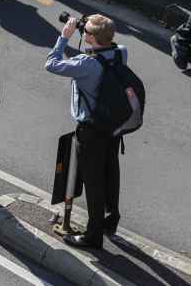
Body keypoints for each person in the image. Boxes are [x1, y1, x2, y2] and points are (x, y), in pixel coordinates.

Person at [45, 14, 124, 249]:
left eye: (85, 31)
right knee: (111, 173)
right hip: (112, 126)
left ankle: (93, 236)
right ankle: (111, 220)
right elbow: (105, 43)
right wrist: (92, 30)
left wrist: (64, 37)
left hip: (91, 130)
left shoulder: (85, 64)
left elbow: (51, 64)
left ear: (90, 37)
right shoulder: (121, 52)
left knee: (93, 182)